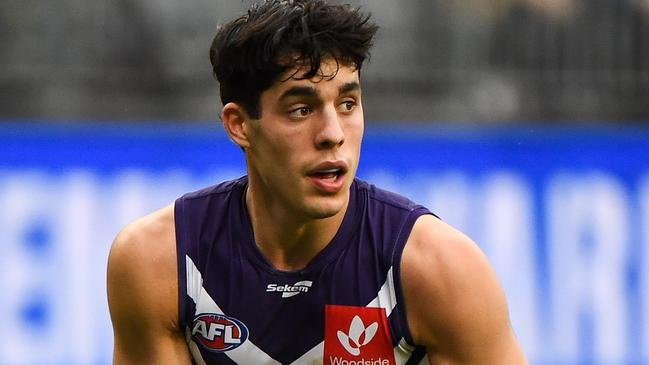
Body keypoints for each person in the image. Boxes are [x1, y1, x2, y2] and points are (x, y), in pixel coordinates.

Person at [107, 0, 528, 363]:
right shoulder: (162, 261)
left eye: (348, 103)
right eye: (301, 109)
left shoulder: (438, 269)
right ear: (239, 125)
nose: (333, 133)